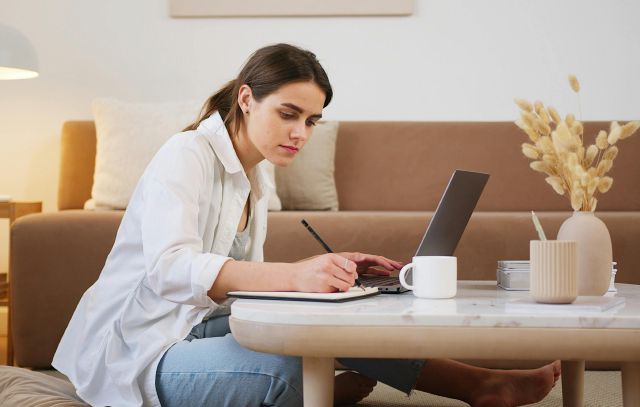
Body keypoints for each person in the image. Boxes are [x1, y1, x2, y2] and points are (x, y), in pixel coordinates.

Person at [53, 43, 560, 407]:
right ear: (247, 99)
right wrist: (295, 277)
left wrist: (325, 275)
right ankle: (317, 393)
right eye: (289, 114)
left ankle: (479, 385)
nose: (300, 133)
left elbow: (235, 283)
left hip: (192, 325)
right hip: (137, 350)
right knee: (291, 367)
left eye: (311, 121)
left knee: (334, 317)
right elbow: (170, 269)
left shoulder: (255, 173)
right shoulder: (186, 155)